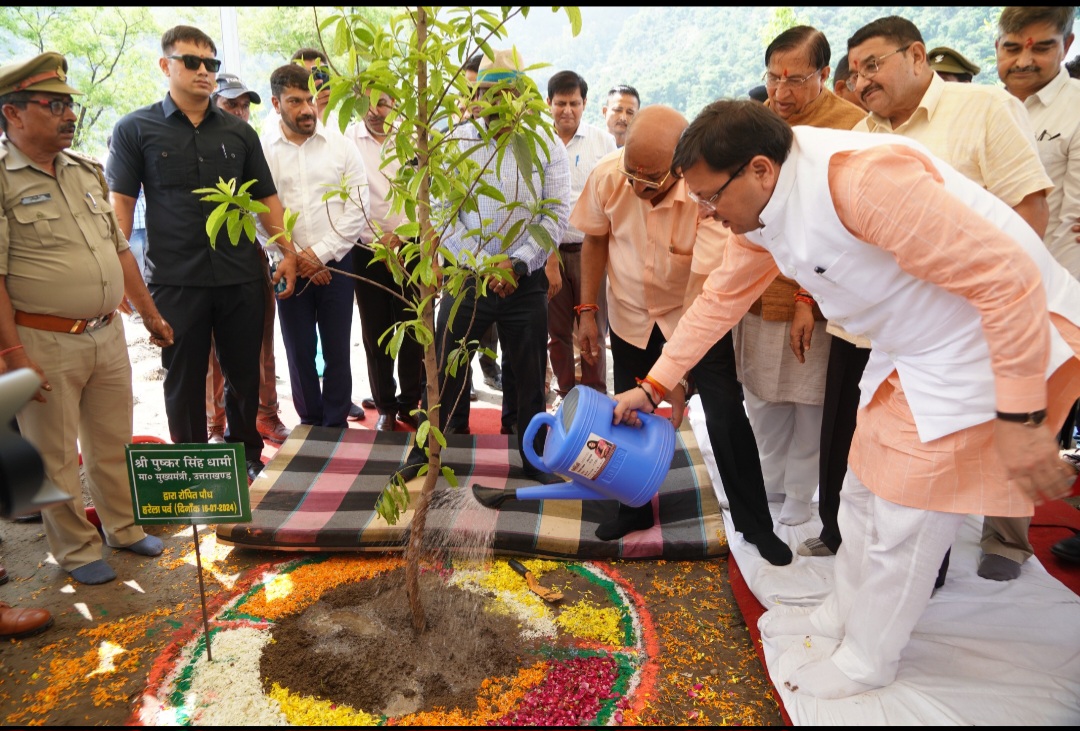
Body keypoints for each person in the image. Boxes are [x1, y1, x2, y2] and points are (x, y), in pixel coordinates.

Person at [613, 98, 1080, 698]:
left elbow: (1005, 279)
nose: (703, 214)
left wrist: (1018, 413)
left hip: (977, 343)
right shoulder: (759, 207)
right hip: (908, 343)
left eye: (709, 198)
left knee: (905, 515)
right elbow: (719, 300)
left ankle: (868, 659)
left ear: (759, 170)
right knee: (860, 492)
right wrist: (656, 383)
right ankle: (843, 615)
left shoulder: (862, 182)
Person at [805, 15, 1053, 583]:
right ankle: (850, 552)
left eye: (875, 64)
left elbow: (1027, 209)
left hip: (948, 330)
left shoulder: (983, 110)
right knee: (856, 447)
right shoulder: (857, 139)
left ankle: (921, 577)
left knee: (928, 460)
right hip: (866, 328)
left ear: (917, 55)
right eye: (857, 71)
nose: (864, 80)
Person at [575, 105, 787, 562]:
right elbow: (594, 239)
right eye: (632, 175)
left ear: (679, 168)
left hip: (691, 313)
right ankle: (631, 509)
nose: (637, 188)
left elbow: (709, 287)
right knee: (625, 416)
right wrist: (587, 309)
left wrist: (676, 371)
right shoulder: (609, 175)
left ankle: (756, 525)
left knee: (726, 414)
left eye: (650, 180)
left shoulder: (706, 193)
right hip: (631, 313)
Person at [0, 51, 174, 584]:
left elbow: (120, 250)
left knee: (112, 441)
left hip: (106, 333)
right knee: (54, 456)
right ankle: (75, 551)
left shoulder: (85, 172)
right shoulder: (3, 181)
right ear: (13, 113)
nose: (68, 114)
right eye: (53, 105)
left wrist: (149, 313)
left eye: (69, 104)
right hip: (42, 338)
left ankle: (122, 528)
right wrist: (12, 357)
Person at [106, 25, 298, 486]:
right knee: (183, 378)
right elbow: (120, 212)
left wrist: (285, 252)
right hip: (176, 280)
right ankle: (192, 471)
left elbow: (267, 199)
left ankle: (245, 458)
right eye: (191, 62)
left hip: (239, 278)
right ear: (165, 66)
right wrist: (121, 278)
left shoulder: (239, 133)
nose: (203, 72)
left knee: (243, 377)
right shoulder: (136, 129)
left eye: (210, 64)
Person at [417, 49, 570, 482]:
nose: (497, 102)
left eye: (508, 92)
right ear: (477, 94)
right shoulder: (458, 140)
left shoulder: (545, 142)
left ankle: (533, 459)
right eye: (488, 92)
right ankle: (435, 452)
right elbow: (445, 212)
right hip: (470, 277)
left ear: (523, 94)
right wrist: (486, 266)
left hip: (525, 280)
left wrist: (517, 265)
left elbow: (553, 214)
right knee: (447, 363)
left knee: (526, 374)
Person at [742, 26, 864, 527]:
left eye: (795, 80)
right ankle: (767, 484)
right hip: (757, 284)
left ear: (824, 75)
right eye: (773, 78)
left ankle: (799, 494)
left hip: (819, 288)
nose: (781, 93)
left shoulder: (853, 127)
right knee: (763, 394)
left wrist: (806, 299)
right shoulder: (755, 123)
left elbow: (847, 225)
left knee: (811, 400)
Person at [996, 6, 1080, 563]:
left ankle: (1005, 542)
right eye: (1012, 47)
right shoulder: (985, 106)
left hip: (1057, 289)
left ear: (1067, 43)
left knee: (1037, 416)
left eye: (1042, 47)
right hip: (988, 287)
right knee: (986, 409)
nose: (1024, 60)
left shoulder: (1076, 110)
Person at [261, 63, 367, 429]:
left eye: (310, 99)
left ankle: (336, 424)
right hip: (283, 266)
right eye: (294, 101)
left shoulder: (341, 146)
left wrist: (318, 256)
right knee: (298, 349)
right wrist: (292, 259)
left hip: (337, 263)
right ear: (276, 103)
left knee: (338, 349)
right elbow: (256, 212)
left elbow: (357, 209)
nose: (307, 109)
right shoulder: (262, 148)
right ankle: (309, 422)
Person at [206, 72, 291, 447]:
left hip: (254, 252)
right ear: (212, 105)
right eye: (231, 105)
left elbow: (266, 204)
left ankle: (266, 415)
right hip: (206, 261)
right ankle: (215, 423)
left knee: (260, 343)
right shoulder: (200, 145)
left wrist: (278, 251)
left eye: (244, 106)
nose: (240, 113)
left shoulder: (249, 143)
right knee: (210, 353)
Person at [344, 91, 422, 432]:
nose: (376, 111)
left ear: (396, 101)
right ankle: (387, 408)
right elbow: (344, 196)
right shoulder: (347, 139)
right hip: (367, 249)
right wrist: (377, 239)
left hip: (411, 247)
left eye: (385, 101)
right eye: (368, 102)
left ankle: (409, 405)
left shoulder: (414, 137)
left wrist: (402, 237)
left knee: (414, 331)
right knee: (376, 332)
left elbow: (426, 193)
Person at [544, 70, 616, 402]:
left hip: (592, 249)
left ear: (585, 103)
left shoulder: (603, 142)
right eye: (561, 103)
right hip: (550, 253)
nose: (567, 110)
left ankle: (596, 395)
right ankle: (566, 394)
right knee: (556, 334)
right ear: (549, 103)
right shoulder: (538, 141)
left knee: (593, 329)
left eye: (574, 103)